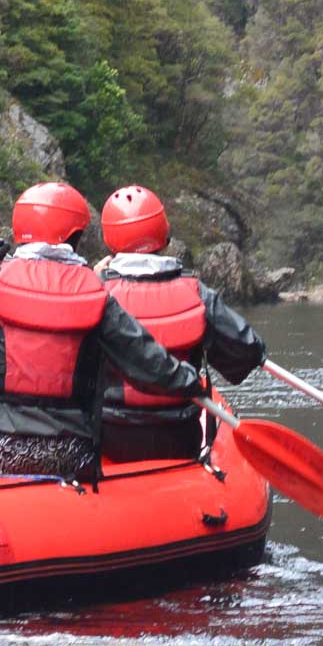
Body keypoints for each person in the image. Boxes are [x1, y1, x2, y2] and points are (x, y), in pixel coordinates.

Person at [0, 180, 203, 480]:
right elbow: (149, 364)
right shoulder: (95, 292)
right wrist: (192, 383)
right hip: (70, 454)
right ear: (76, 236)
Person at [97, 185, 267, 462]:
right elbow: (246, 353)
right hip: (178, 438)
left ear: (109, 241)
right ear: (164, 235)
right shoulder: (197, 293)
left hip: (111, 438)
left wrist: (92, 278)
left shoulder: (94, 294)